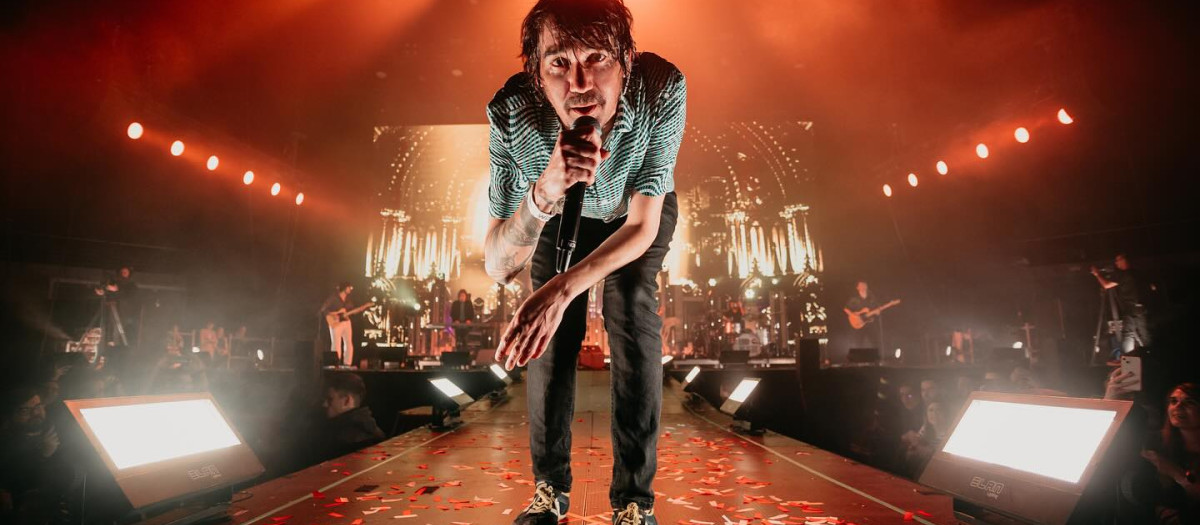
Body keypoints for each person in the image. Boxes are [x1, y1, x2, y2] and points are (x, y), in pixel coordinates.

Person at [483, 0, 686, 522]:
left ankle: (635, 502)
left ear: (627, 59)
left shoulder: (660, 87)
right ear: (534, 71)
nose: (578, 83)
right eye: (558, 63)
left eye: (596, 57)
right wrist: (547, 189)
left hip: (635, 211)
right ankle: (550, 489)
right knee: (548, 336)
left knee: (632, 308)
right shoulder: (511, 114)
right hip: (557, 214)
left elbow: (643, 227)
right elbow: (497, 263)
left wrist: (562, 288)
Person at [311, 372, 384, 464]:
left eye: (330, 399)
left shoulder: (340, 441)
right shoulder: (373, 430)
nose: (324, 404)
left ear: (346, 400)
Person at [1091, 253, 1151, 355]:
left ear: (1124, 260)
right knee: (1143, 335)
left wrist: (1097, 274)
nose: (1116, 263)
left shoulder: (1123, 275)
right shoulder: (1137, 273)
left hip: (1131, 309)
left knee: (1129, 334)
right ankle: (1149, 356)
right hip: (1140, 308)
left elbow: (1105, 285)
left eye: (1118, 260)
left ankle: (1131, 360)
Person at [321, 282, 357, 367]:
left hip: (346, 322)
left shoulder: (348, 300)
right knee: (336, 343)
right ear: (344, 288)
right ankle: (335, 364)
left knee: (349, 343)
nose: (350, 289)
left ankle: (347, 363)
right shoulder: (333, 298)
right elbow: (324, 309)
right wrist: (336, 313)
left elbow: (351, 309)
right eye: (349, 287)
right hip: (336, 322)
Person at [844, 281, 881, 351]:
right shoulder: (854, 299)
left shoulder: (872, 298)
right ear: (857, 288)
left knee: (875, 342)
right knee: (858, 343)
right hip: (859, 324)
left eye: (864, 285)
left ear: (867, 286)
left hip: (870, 323)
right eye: (861, 285)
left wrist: (877, 312)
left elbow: (876, 309)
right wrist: (855, 316)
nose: (863, 287)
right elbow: (846, 309)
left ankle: (876, 359)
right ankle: (858, 360)